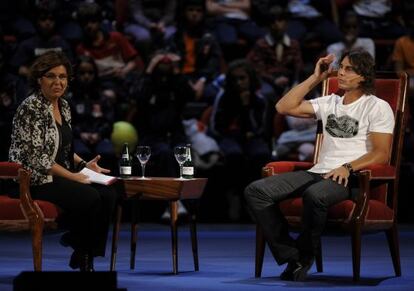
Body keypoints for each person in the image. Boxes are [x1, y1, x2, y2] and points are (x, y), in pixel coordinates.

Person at [244, 49, 394, 281]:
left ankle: (304, 258)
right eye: (341, 67)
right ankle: (292, 255)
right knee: (256, 191)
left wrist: (348, 167)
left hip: (350, 177)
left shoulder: (376, 106)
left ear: (363, 76)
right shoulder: (330, 102)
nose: (340, 72)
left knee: (315, 195)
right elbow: (283, 108)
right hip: (319, 171)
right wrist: (316, 78)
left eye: (348, 69)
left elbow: (382, 154)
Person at [8, 51, 121, 272]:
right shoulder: (31, 108)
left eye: (63, 77)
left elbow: (65, 148)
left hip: (59, 173)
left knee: (109, 194)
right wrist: (74, 176)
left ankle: (83, 250)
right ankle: (82, 254)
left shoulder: (64, 106)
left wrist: (84, 165)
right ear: (39, 79)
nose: (58, 82)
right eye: (51, 76)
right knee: (90, 197)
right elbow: (37, 158)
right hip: (34, 178)